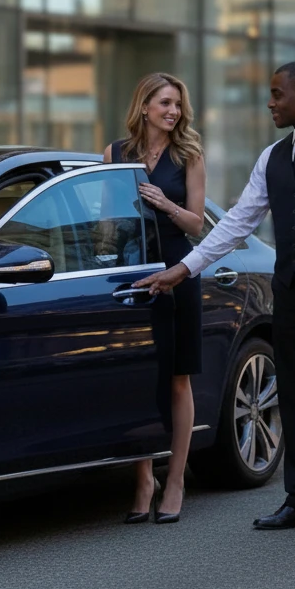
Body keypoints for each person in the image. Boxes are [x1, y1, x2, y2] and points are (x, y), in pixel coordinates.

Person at [134, 61, 295, 539]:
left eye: (278, 94)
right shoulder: (273, 157)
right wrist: (185, 268)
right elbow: (238, 221)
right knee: (294, 397)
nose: (270, 102)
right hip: (290, 294)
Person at [106, 73, 206, 525]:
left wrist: (166, 204)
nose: (174, 111)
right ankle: (144, 479)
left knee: (178, 380)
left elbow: (197, 224)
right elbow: (107, 222)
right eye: (165, 103)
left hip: (178, 271)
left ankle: (177, 479)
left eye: (178, 105)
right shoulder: (115, 154)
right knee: (140, 377)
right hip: (134, 275)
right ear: (144, 106)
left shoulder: (189, 155)